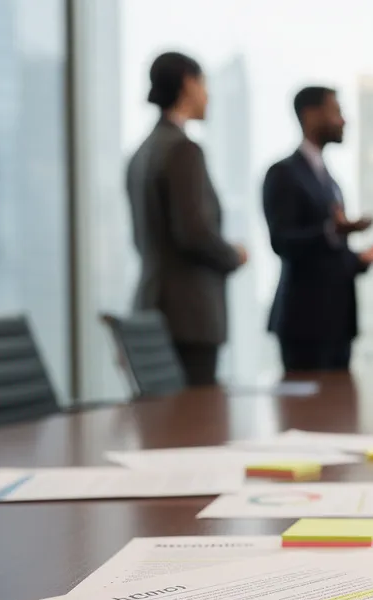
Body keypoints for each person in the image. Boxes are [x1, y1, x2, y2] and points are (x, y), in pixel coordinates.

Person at [125, 51, 247, 387]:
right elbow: (194, 233)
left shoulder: (141, 152)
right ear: (188, 84)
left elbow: (142, 238)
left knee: (163, 422)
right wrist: (234, 255)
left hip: (151, 306)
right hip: (188, 316)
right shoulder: (183, 149)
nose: (208, 96)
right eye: (204, 85)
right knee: (194, 424)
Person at [262, 86, 373, 373]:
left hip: (338, 323)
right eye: (336, 112)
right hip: (304, 324)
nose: (343, 120)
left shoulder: (329, 179)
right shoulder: (283, 173)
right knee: (305, 415)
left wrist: (360, 260)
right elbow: (282, 241)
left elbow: (331, 250)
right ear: (310, 115)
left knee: (340, 414)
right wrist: (331, 232)